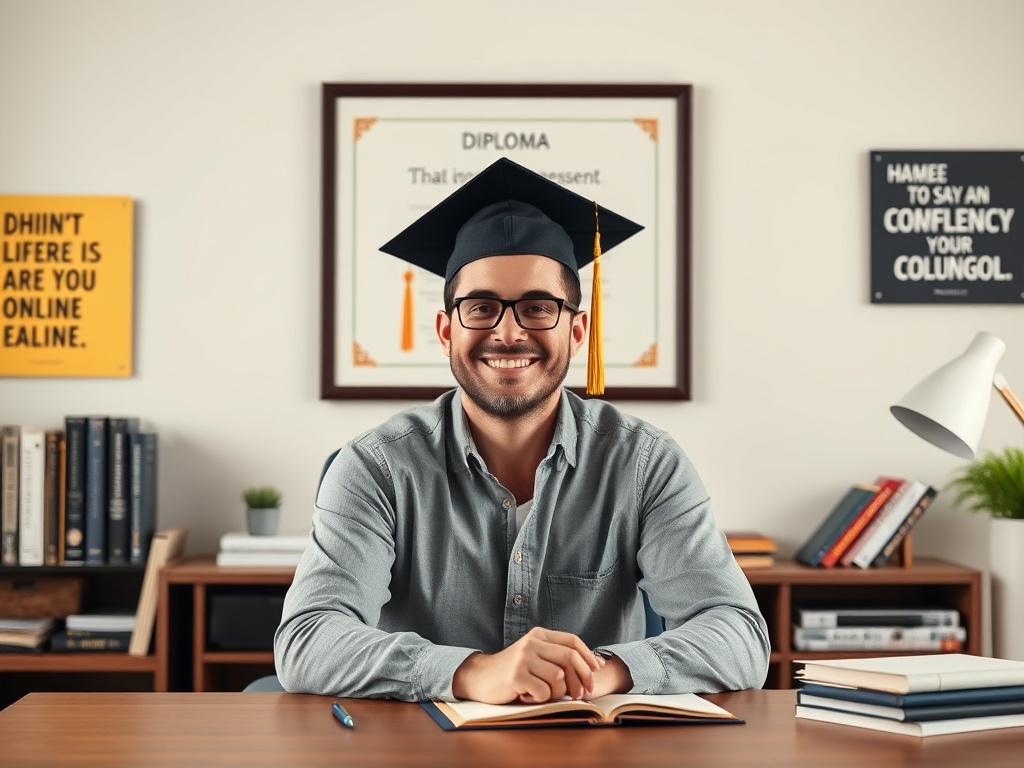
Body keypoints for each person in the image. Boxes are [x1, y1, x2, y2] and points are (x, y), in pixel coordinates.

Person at [275, 157, 770, 704]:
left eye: (538, 307)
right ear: (446, 330)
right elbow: (307, 640)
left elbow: (739, 634)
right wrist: (471, 672)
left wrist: (603, 671)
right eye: (481, 307)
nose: (508, 333)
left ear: (577, 329)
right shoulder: (377, 468)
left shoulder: (645, 464)